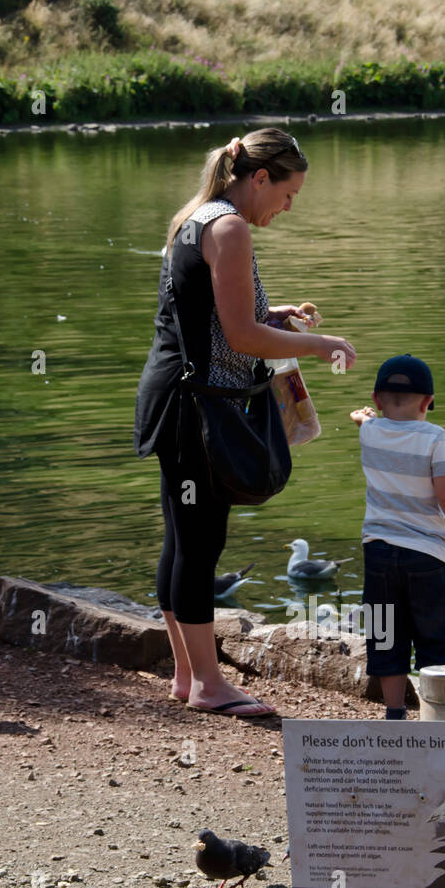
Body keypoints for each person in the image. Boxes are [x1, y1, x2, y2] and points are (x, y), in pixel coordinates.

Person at [134, 129, 356, 716]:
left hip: (174, 396)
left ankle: (187, 675)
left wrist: (272, 313)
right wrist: (320, 344)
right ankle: (208, 684)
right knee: (201, 542)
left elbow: (207, 313)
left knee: (183, 538)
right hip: (197, 407)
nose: (288, 207)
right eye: (288, 194)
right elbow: (238, 336)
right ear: (260, 178)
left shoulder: (198, 215)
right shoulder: (229, 227)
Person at [350, 354, 445, 719]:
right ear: (428, 402)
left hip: (378, 553)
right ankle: (437, 718)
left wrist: (363, 416)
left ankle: (395, 713)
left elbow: (366, 421)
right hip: (426, 555)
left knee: (384, 633)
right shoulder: (434, 437)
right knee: (435, 638)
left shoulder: (370, 431)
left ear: (377, 399)